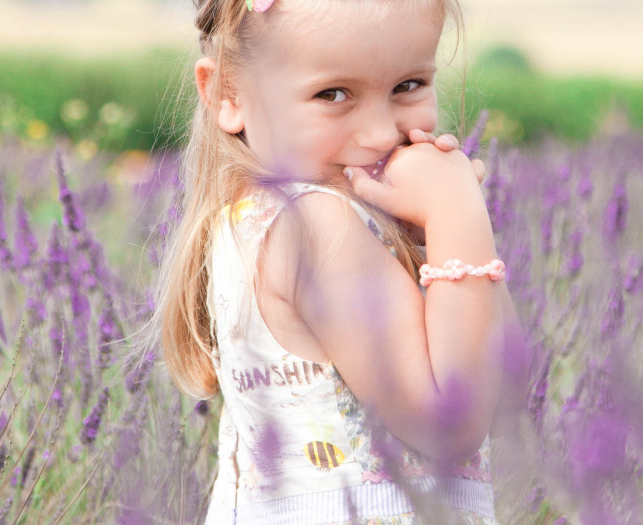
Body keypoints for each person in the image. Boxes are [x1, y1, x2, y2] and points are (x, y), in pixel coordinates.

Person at [149, 0, 519, 522]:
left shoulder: (273, 217)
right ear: (227, 94)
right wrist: (455, 211)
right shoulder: (316, 227)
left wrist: (447, 239)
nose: (381, 134)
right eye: (333, 94)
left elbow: (503, 388)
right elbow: (453, 423)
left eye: (408, 85)